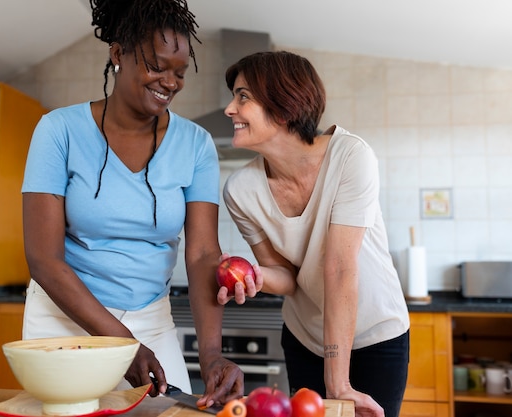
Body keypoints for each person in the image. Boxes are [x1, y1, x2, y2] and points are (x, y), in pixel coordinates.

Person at [20, 0, 243, 408]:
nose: (171, 82)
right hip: (65, 320)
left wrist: (211, 355)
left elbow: (202, 253)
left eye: (179, 72)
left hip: (150, 323)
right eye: (158, 67)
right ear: (118, 54)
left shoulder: (195, 144)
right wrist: (122, 344)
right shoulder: (58, 131)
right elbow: (44, 259)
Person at [217, 51, 410, 417]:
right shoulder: (240, 190)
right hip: (304, 338)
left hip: (375, 335)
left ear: (284, 104)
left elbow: (339, 267)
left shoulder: (351, 156)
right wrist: (256, 277)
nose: (229, 108)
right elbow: (287, 279)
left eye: (243, 96)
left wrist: (338, 385)